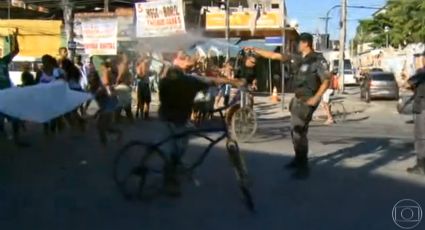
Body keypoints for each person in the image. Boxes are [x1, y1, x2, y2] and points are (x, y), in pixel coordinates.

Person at [245, 33, 331, 179]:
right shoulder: (298, 58)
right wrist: (256, 50)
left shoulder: (317, 60)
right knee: (295, 131)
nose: (297, 45)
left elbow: (327, 80)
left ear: (305, 43)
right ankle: (298, 160)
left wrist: (316, 98)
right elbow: (274, 56)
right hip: (298, 99)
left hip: (307, 99)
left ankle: (302, 166)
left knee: (298, 131)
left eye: (299, 43)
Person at [158, 59, 244, 196]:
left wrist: (232, 82)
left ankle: (176, 167)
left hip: (174, 118)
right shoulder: (188, 82)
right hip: (172, 120)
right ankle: (169, 180)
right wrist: (232, 82)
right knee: (174, 151)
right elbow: (211, 80)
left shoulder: (166, 82)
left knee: (180, 146)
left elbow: (211, 80)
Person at [0, 29, 27, 147]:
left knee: (15, 116)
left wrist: (15, 37)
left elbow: (16, 51)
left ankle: (16, 140)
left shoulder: (3, 61)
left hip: (6, 94)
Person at [88, 71, 122, 146]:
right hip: (104, 108)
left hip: (107, 108)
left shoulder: (101, 88)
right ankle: (114, 135)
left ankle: (104, 144)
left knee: (101, 127)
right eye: (89, 80)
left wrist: (94, 112)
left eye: (92, 80)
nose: (90, 81)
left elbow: (103, 99)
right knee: (103, 127)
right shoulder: (93, 88)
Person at [405, 51, 425, 175]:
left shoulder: (421, 73)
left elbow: (407, 84)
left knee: (420, 137)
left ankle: (421, 165)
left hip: (422, 109)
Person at [115, 53, 134, 123]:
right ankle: (130, 120)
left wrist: (116, 83)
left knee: (119, 106)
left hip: (121, 86)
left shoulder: (122, 66)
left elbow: (120, 76)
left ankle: (116, 120)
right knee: (126, 106)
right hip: (126, 87)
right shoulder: (127, 67)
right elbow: (130, 79)